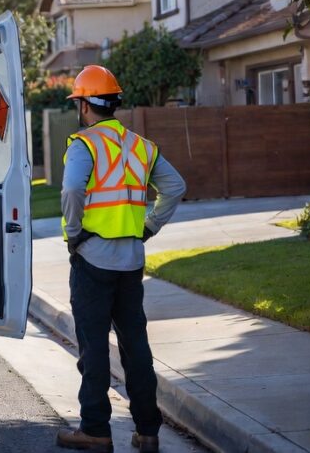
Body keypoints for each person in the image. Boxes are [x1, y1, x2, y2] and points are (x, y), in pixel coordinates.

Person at [55, 65, 186, 453]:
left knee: (94, 347)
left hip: (93, 259)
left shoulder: (84, 144)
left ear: (84, 106)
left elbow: (73, 188)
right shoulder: (141, 146)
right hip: (131, 260)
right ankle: (147, 431)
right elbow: (176, 187)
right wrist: (149, 227)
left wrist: (74, 232)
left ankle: (95, 429)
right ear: (112, 103)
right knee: (135, 346)